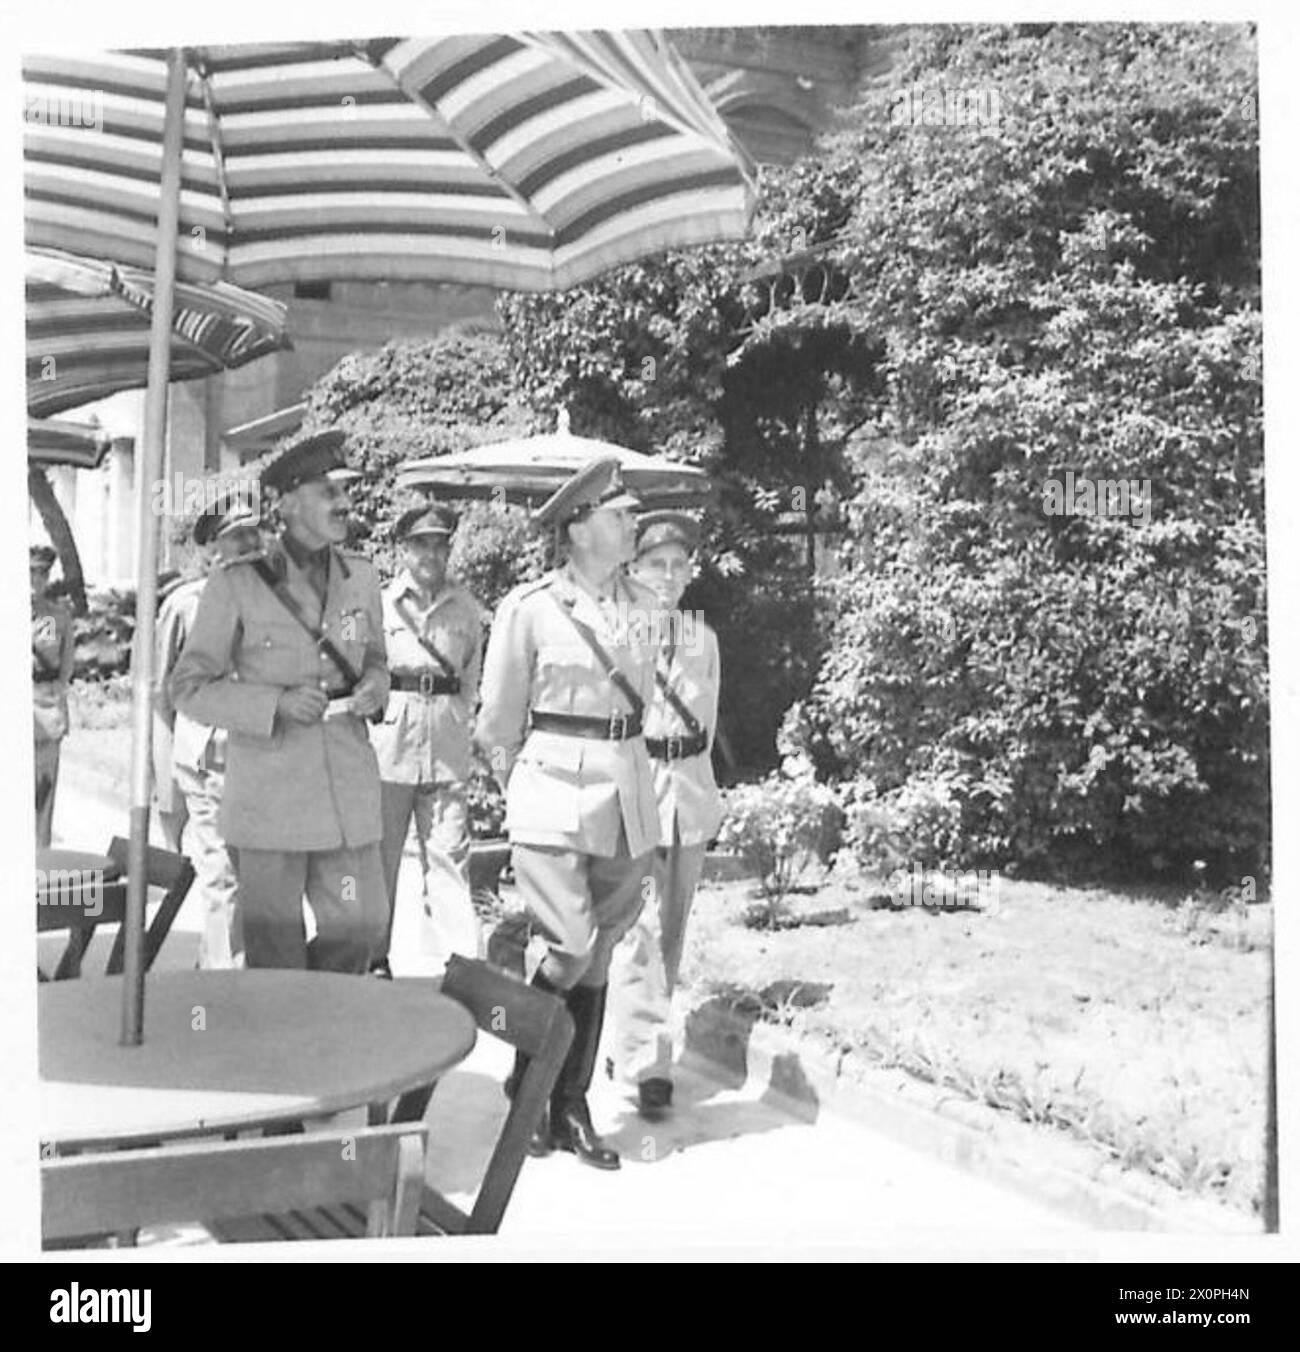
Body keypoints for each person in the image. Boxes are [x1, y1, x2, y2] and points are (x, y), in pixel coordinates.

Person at [477, 457, 662, 1170]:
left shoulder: (647, 606)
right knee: (571, 946)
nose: (631, 525)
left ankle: (570, 1103)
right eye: (620, 516)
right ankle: (529, 1081)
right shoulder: (530, 609)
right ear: (580, 528)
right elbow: (499, 718)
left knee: (599, 953)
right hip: (553, 786)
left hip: (629, 787)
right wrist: (518, 780)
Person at [170, 430, 390, 972]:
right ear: (288, 503)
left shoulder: (359, 577)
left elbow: (376, 657)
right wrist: (273, 705)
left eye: (345, 490)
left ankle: (314, 1014)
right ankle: (286, 1044)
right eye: (327, 491)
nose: (343, 503)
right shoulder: (238, 584)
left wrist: (377, 683)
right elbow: (189, 687)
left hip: (346, 783)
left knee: (363, 925)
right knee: (272, 946)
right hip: (271, 794)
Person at [608, 511, 723, 1118]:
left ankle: (627, 1036)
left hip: (690, 791)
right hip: (638, 785)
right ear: (633, 569)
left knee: (671, 932)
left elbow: (709, 719)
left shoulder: (703, 639)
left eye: (680, 565)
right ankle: (646, 1063)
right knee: (639, 929)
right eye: (657, 564)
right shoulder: (621, 634)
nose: (670, 576)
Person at [370, 503, 484, 978]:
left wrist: (464, 717)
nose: (431, 554)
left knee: (449, 857)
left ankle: (461, 969)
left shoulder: (467, 608)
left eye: (440, 545)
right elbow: (358, 662)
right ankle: (375, 958)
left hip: (446, 743)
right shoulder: (378, 605)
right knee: (381, 858)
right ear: (404, 550)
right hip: (391, 745)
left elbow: (474, 673)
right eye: (422, 545)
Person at [153, 488, 263, 969]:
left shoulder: (281, 603)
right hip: (207, 760)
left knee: (255, 878)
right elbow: (160, 698)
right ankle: (221, 991)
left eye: (253, 534)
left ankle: (216, 968)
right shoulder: (185, 605)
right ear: (212, 549)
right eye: (235, 538)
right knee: (222, 876)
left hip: (262, 759)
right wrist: (163, 788)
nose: (248, 544)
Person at [31, 543, 75, 849]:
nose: (35, 581)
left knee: (42, 794)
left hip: (42, 709)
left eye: (41, 575)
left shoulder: (52, 617)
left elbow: (61, 663)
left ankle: (40, 861)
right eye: (30, 573)